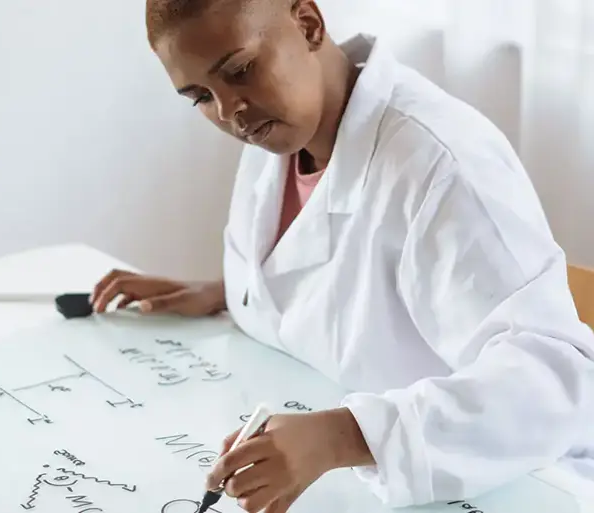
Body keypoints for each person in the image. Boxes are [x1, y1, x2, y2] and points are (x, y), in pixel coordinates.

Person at [91, 0, 594, 511]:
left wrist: (342, 437)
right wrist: (235, 292)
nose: (227, 112)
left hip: (525, 484)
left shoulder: (441, 163)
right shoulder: (280, 132)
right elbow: (346, 280)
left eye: (240, 71)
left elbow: (556, 385)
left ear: (308, 24)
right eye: (200, 96)